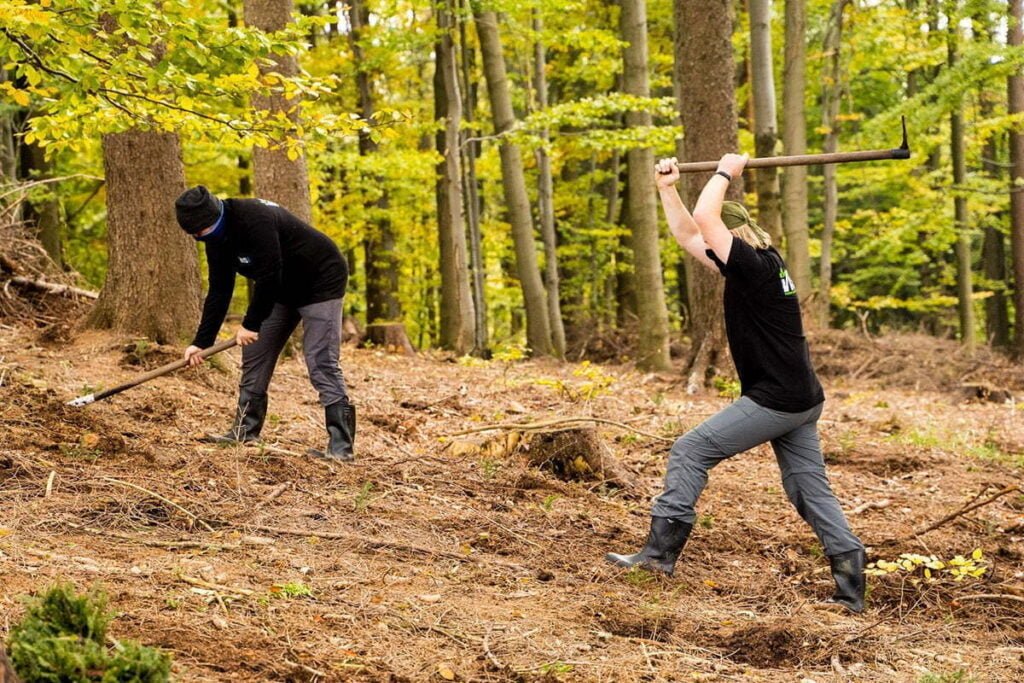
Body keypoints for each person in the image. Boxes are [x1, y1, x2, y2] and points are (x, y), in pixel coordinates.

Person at [606, 154, 866, 613]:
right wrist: (667, 189)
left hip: (778, 398)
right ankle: (850, 583)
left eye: (716, 240)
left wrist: (726, 171)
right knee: (807, 487)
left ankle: (658, 556)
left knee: (691, 450)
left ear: (733, 238)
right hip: (800, 397)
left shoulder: (754, 267)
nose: (709, 245)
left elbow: (705, 218)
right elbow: (690, 233)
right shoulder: (757, 263)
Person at [175, 186, 356, 462]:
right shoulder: (216, 240)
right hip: (282, 290)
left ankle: (341, 447)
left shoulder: (253, 218)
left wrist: (251, 323)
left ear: (215, 216)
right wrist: (201, 342)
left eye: (202, 230)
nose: (200, 236)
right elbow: (220, 290)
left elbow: (269, 275)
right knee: (255, 352)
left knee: (320, 360)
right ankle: (245, 430)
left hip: (321, 281)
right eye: (195, 234)